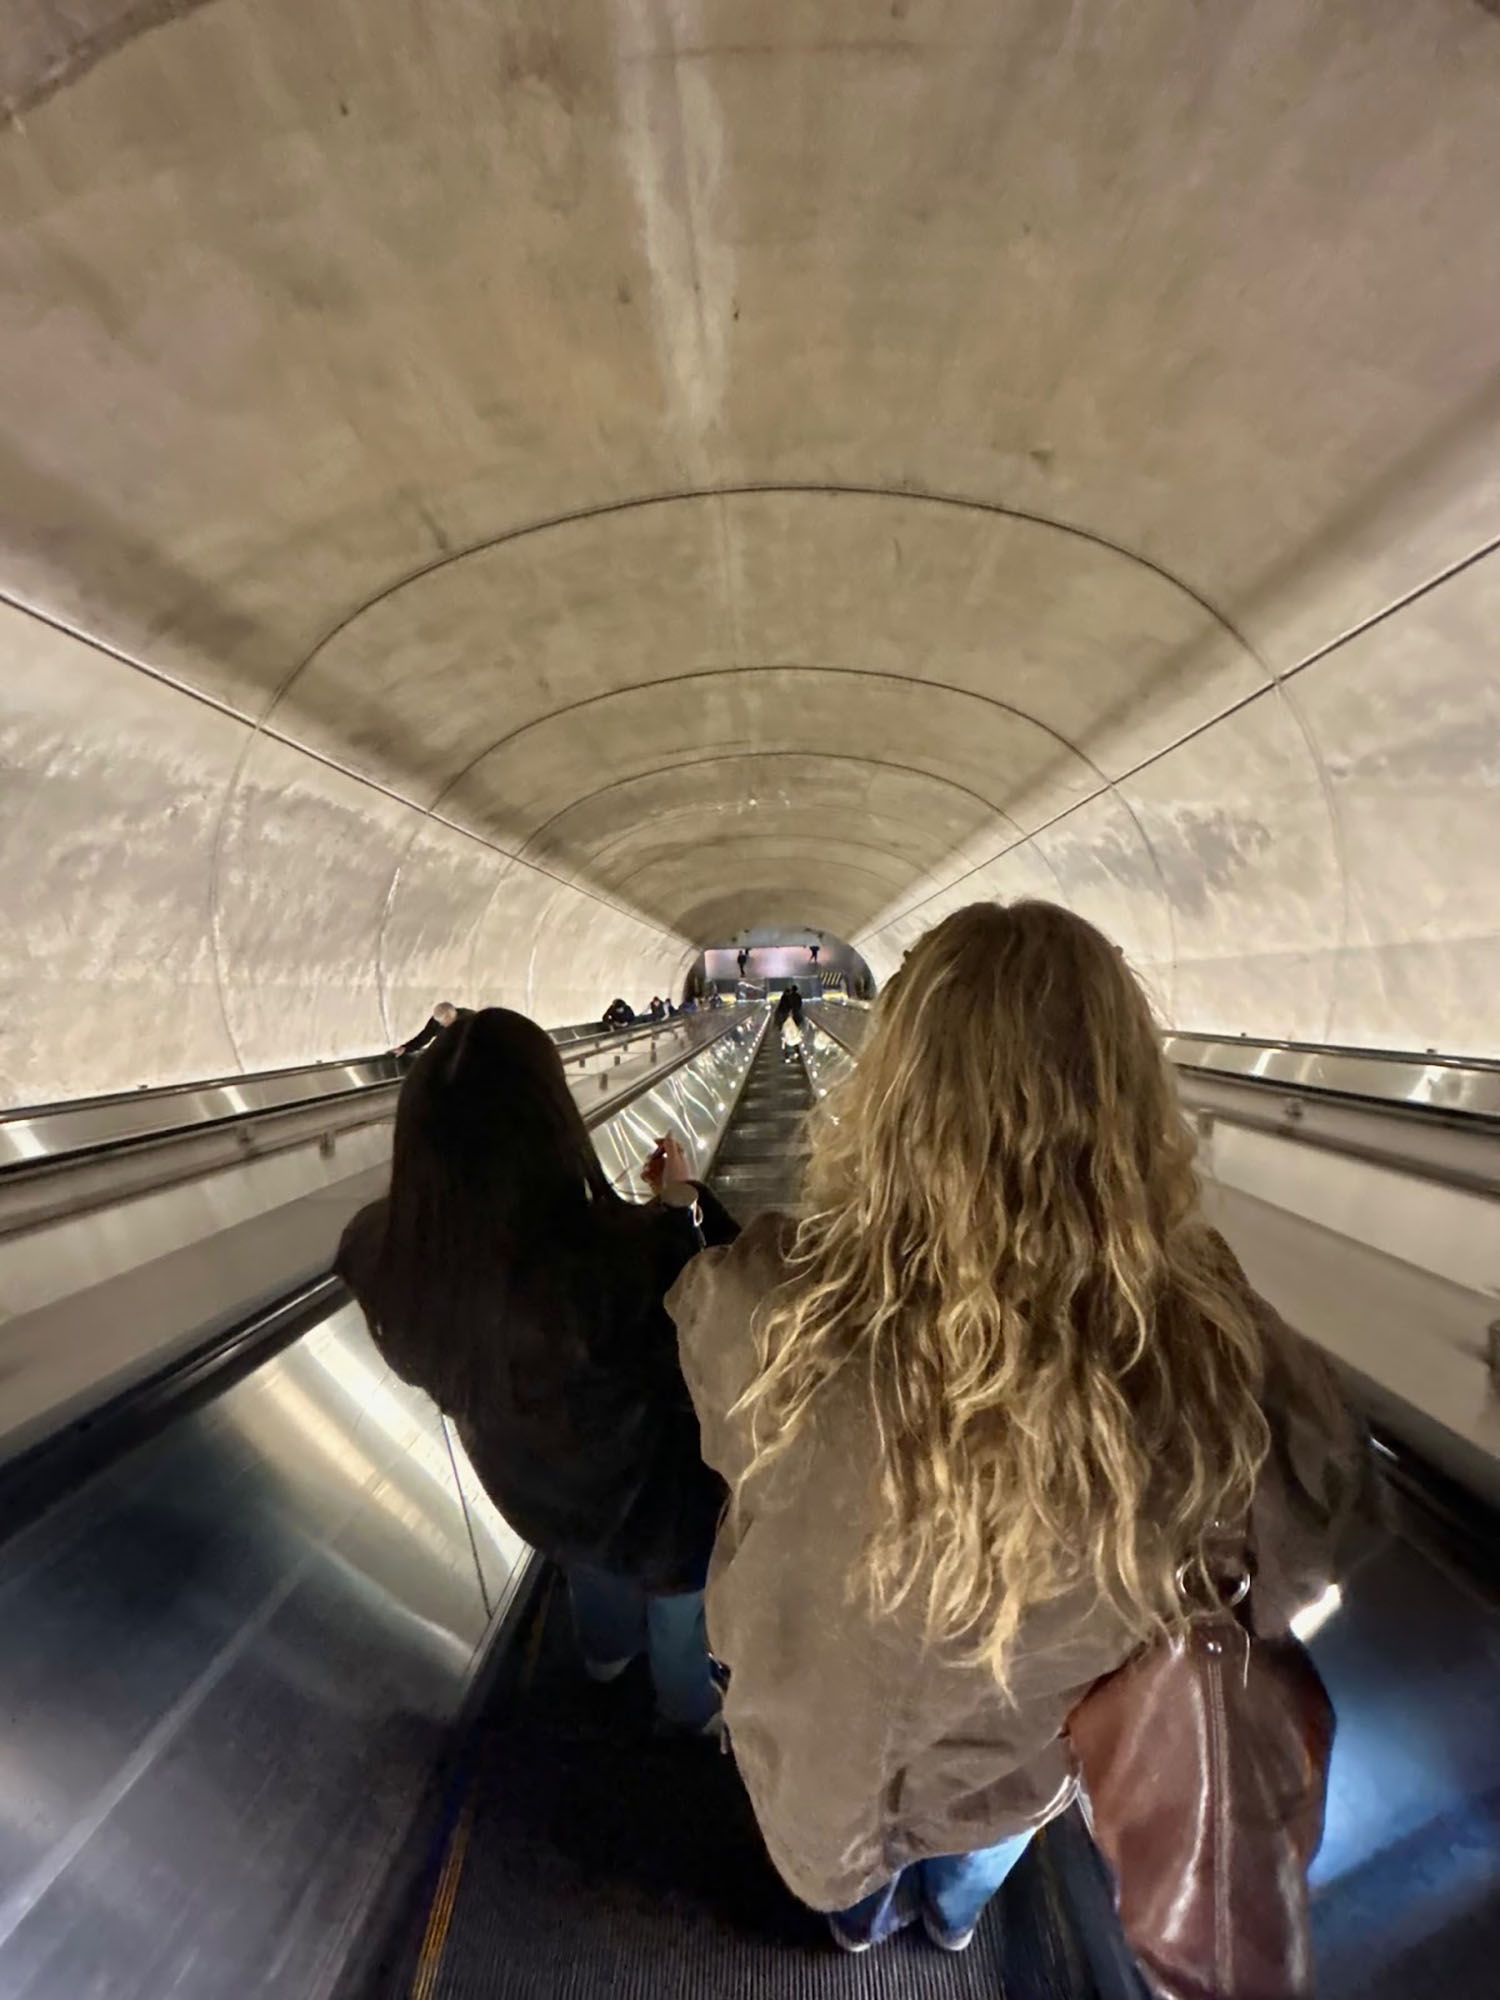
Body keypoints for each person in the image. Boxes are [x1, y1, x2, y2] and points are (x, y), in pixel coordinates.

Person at [668, 902, 1370, 1953]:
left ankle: (858, 1926)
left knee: (837, 1887)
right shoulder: (1208, 1361)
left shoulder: (774, 1304)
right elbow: (1316, 1534)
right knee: (972, 1872)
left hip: (821, 1751)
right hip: (1016, 1762)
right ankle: (950, 1927)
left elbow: (712, 1384)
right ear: (1132, 1106)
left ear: (896, 1090)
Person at [336, 1008, 739, 1733]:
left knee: (590, 1578)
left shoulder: (383, 1258)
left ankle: (603, 1663)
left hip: (539, 1496)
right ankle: (686, 1709)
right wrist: (681, 1199)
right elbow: (711, 1306)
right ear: (552, 1123)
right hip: (660, 1511)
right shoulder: (619, 1263)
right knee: (682, 1612)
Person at [395, 999, 462, 1058]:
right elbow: (424, 1037)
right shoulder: (436, 1022)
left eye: (445, 1022)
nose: (441, 1025)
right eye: (440, 1022)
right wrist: (406, 1048)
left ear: (453, 1016)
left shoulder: (469, 1020)